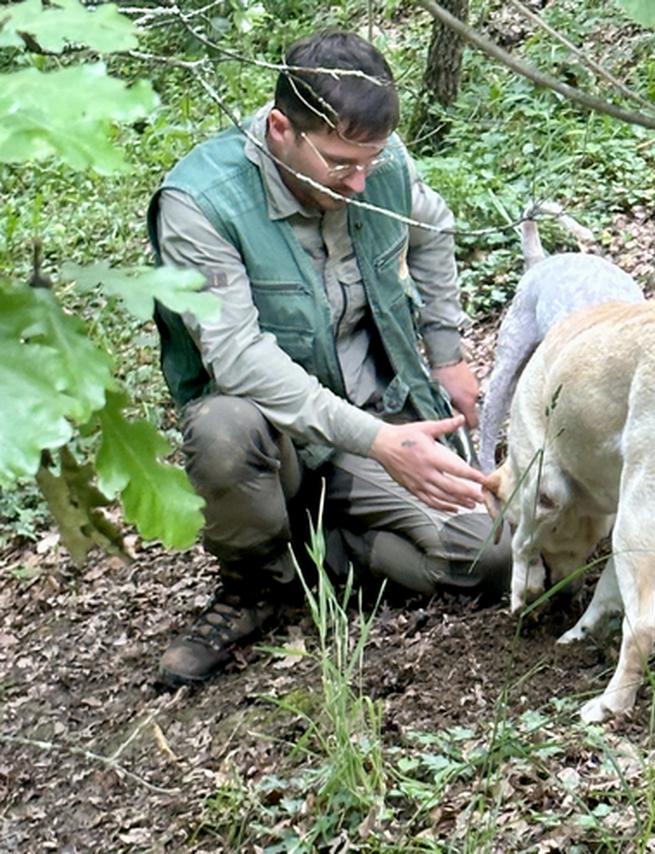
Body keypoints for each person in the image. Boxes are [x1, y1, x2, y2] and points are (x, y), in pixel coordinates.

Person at [147, 30, 511, 687]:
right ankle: (254, 584)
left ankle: (322, 558)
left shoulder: (379, 165)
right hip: (277, 440)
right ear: (282, 128)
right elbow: (236, 357)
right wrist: (380, 445)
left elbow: (434, 229)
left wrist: (448, 355)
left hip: (379, 418)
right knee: (222, 430)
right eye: (342, 163)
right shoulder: (199, 204)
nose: (360, 180)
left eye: (370, 161)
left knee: (495, 556)